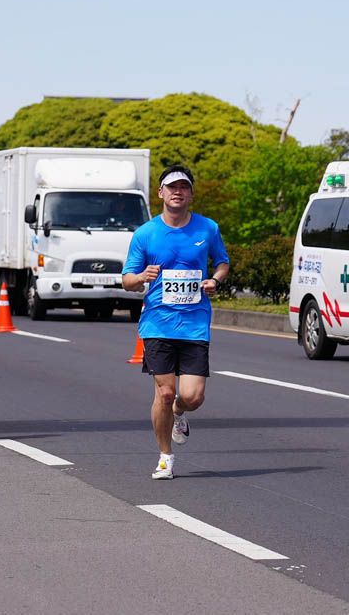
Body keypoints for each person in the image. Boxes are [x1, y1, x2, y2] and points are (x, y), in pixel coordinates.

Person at [122, 166, 230, 479]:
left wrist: (214, 280)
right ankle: (165, 456)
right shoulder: (145, 233)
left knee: (193, 396)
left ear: (191, 194)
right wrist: (142, 276)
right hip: (157, 323)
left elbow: (222, 262)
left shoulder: (207, 229)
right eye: (171, 187)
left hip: (195, 322)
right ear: (160, 193)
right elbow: (127, 280)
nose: (177, 192)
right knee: (165, 393)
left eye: (183, 187)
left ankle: (180, 413)